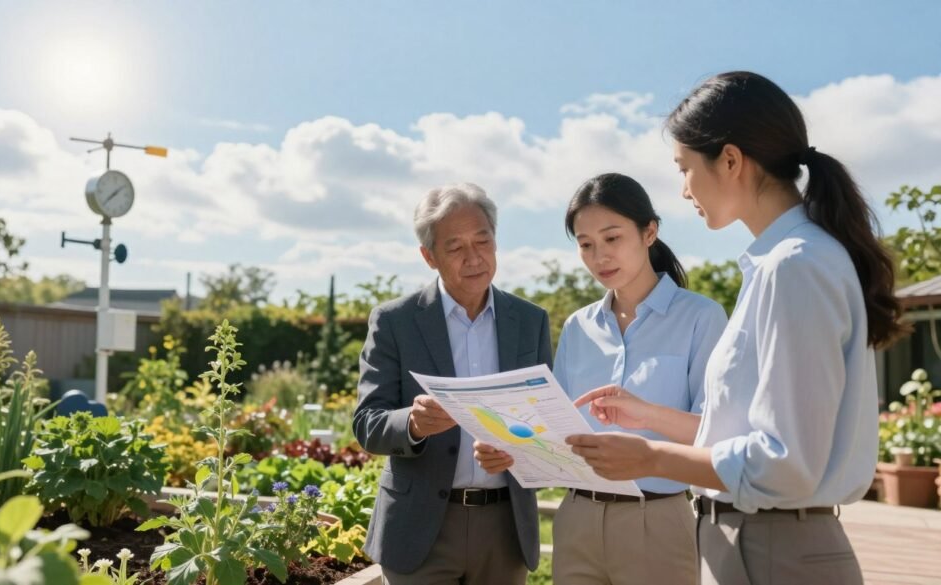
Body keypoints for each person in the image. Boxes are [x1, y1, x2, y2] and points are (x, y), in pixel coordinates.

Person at [566, 71, 905, 585]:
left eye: (684, 169)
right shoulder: (784, 263)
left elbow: (785, 462)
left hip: (774, 548)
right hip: (757, 542)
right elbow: (753, 433)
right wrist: (647, 415)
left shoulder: (794, 266)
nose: (682, 190)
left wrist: (652, 454)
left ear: (729, 160)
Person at [475, 173, 726, 585]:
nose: (600, 257)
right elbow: (557, 430)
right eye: (586, 244)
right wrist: (510, 448)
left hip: (658, 520)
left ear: (649, 232)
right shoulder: (578, 327)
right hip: (577, 520)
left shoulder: (701, 317)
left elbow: (715, 434)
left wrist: (646, 414)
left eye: (612, 238)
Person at [352, 182, 553, 585]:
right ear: (429, 256)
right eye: (456, 247)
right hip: (420, 530)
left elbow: (545, 419)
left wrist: (520, 450)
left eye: (483, 241)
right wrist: (413, 423)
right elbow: (367, 424)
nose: (474, 257)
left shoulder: (531, 321)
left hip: (505, 529)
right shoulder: (395, 321)